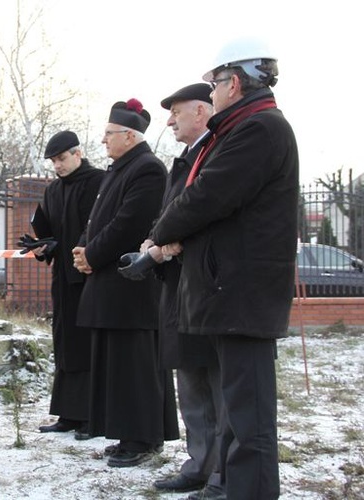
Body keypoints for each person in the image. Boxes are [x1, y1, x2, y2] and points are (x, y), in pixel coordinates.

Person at [149, 38, 298, 499]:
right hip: (230, 293)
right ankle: (233, 488)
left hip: (243, 296)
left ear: (233, 83)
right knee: (238, 412)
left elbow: (208, 196)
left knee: (249, 420)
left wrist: (159, 234)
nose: (210, 94)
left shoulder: (259, 129)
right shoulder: (243, 127)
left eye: (213, 84)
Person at [122, 84, 223, 494]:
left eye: (176, 112)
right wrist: (153, 243)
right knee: (191, 382)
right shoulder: (183, 159)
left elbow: (210, 209)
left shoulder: (218, 151)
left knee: (218, 387)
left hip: (207, 286)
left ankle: (222, 472)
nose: (168, 121)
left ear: (201, 111)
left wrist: (170, 242)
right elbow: (169, 212)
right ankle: (199, 463)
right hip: (178, 287)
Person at [71, 99, 178, 466]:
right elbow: (97, 221)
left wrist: (93, 255)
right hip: (109, 283)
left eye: (109, 134)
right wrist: (84, 250)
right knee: (119, 365)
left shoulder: (148, 169)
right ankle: (128, 433)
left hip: (132, 286)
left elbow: (128, 224)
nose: (103, 140)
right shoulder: (120, 168)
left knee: (136, 366)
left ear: (129, 136)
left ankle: (143, 438)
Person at [31, 131, 104, 435]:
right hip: (62, 277)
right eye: (53, 161)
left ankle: (92, 416)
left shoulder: (99, 182)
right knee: (66, 343)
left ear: (78, 153)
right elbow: (51, 232)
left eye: (61, 159)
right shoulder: (53, 191)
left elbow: (99, 227)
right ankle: (68, 414)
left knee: (88, 344)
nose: (57, 166)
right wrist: (41, 247)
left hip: (90, 276)